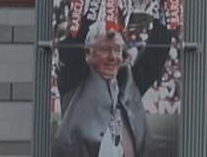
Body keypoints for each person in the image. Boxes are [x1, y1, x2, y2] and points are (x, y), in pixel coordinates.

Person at [52, 20, 171, 157]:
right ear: (88, 54)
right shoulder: (74, 82)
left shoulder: (128, 84)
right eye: (104, 49)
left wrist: (163, 18)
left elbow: (156, 55)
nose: (112, 57)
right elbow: (70, 49)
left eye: (117, 50)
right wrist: (90, 15)